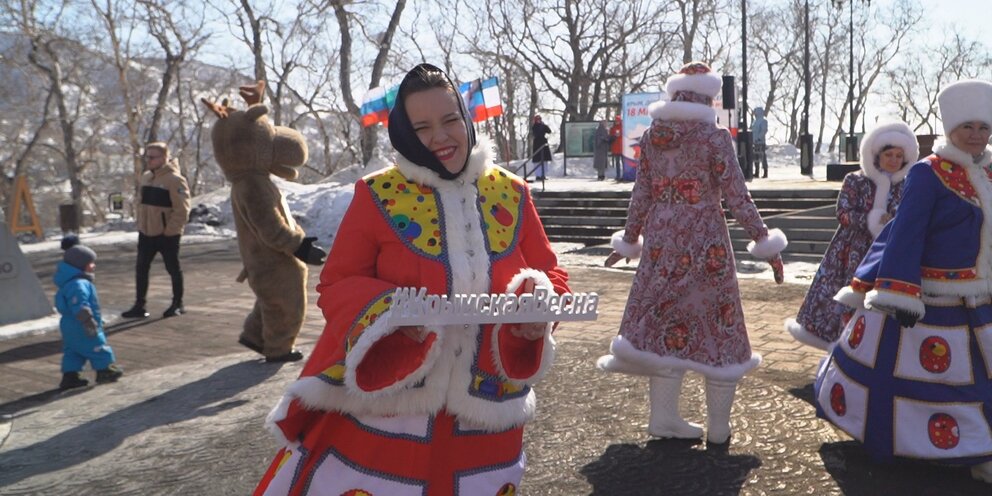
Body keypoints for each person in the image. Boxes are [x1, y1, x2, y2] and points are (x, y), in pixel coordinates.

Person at [253, 63, 570, 495]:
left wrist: (540, 302)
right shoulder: (376, 193)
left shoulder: (512, 192)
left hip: (489, 402)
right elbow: (338, 282)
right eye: (422, 127)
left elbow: (550, 271)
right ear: (403, 133)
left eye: (450, 120)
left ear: (466, 118)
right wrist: (391, 314)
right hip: (391, 399)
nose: (440, 136)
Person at [597, 62, 787, 445]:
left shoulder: (652, 138)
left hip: (662, 240)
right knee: (719, 327)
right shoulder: (713, 139)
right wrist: (764, 242)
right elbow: (737, 195)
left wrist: (630, 238)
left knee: (666, 327)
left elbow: (642, 194)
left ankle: (664, 419)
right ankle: (719, 427)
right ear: (707, 99)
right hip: (705, 241)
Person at [814, 79, 992, 484]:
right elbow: (906, 231)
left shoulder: (990, 172)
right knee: (946, 381)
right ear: (951, 129)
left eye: (984, 127)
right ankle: (956, 451)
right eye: (969, 127)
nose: (977, 135)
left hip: (981, 297)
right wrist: (898, 292)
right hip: (928, 299)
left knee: (978, 379)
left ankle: (981, 448)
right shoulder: (929, 174)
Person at [785, 121, 918, 350]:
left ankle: (872, 349)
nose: (894, 160)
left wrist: (893, 221)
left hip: (887, 253)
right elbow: (843, 213)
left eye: (899, 155)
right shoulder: (855, 179)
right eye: (889, 154)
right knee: (843, 297)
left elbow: (910, 216)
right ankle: (839, 346)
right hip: (850, 251)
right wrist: (871, 219)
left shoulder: (906, 185)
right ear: (877, 154)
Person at [122, 142, 191, 319]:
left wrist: (170, 231)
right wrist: (141, 224)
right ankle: (139, 305)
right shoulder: (146, 177)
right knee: (141, 269)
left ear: (164, 158)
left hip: (166, 235)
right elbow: (141, 203)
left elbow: (182, 209)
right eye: (147, 157)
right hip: (146, 232)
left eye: (152, 157)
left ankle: (177, 303)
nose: (148, 160)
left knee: (173, 268)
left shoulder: (175, 180)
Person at [54, 245, 124, 389]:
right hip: (82, 324)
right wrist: (88, 320)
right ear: (81, 265)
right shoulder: (79, 284)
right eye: (91, 263)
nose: (94, 266)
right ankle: (105, 370)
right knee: (97, 346)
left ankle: (70, 376)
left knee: (72, 352)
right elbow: (80, 304)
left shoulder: (68, 282)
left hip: (68, 325)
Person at [531, 114, 553, 180]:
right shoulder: (534, 127)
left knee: (545, 161)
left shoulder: (543, 126)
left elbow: (549, 131)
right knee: (537, 161)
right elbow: (536, 134)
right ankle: (538, 175)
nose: (538, 121)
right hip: (537, 144)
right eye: (537, 119)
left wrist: (544, 125)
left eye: (539, 119)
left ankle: (543, 175)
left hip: (543, 144)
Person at [751, 107, 769, 179]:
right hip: (754, 142)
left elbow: (764, 130)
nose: (755, 113)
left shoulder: (763, 121)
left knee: (763, 157)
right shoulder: (755, 121)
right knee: (755, 157)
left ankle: (765, 172)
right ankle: (756, 172)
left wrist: (759, 138)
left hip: (760, 142)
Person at [609, 115, 624, 179]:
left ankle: (624, 175)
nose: (617, 122)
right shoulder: (613, 128)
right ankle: (618, 175)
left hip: (622, 149)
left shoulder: (623, 127)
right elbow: (610, 137)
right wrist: (614, 135)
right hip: (616, 148)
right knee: (617, 163)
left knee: (624, 163)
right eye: (616, 121)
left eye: (618, 121)